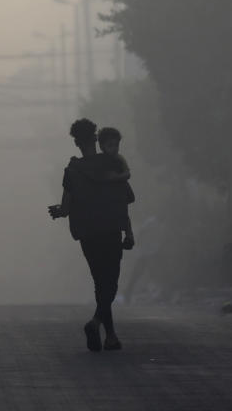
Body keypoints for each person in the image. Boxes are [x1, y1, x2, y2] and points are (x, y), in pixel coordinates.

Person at [49, 119, 134, 352]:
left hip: (88, 234)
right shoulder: (112, 163)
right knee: (110, 283)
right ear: (95, 139)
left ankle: (110, 335)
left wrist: (56, 211)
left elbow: (65, 210)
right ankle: (100, 327)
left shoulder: (72, 171)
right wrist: (129, 232)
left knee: (100, 282)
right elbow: (125, 201)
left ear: (77, 143)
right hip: (111, 230)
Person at [97, 127, 136, 250]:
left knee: (124, 214)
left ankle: (129, 235)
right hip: (109, 196)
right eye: (110, 145)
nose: (114, 148)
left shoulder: (119, 158)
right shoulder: (100, 161)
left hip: (121, 190)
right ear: (102, 146)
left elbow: (128, 174)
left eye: (116, 145)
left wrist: (116, 177)